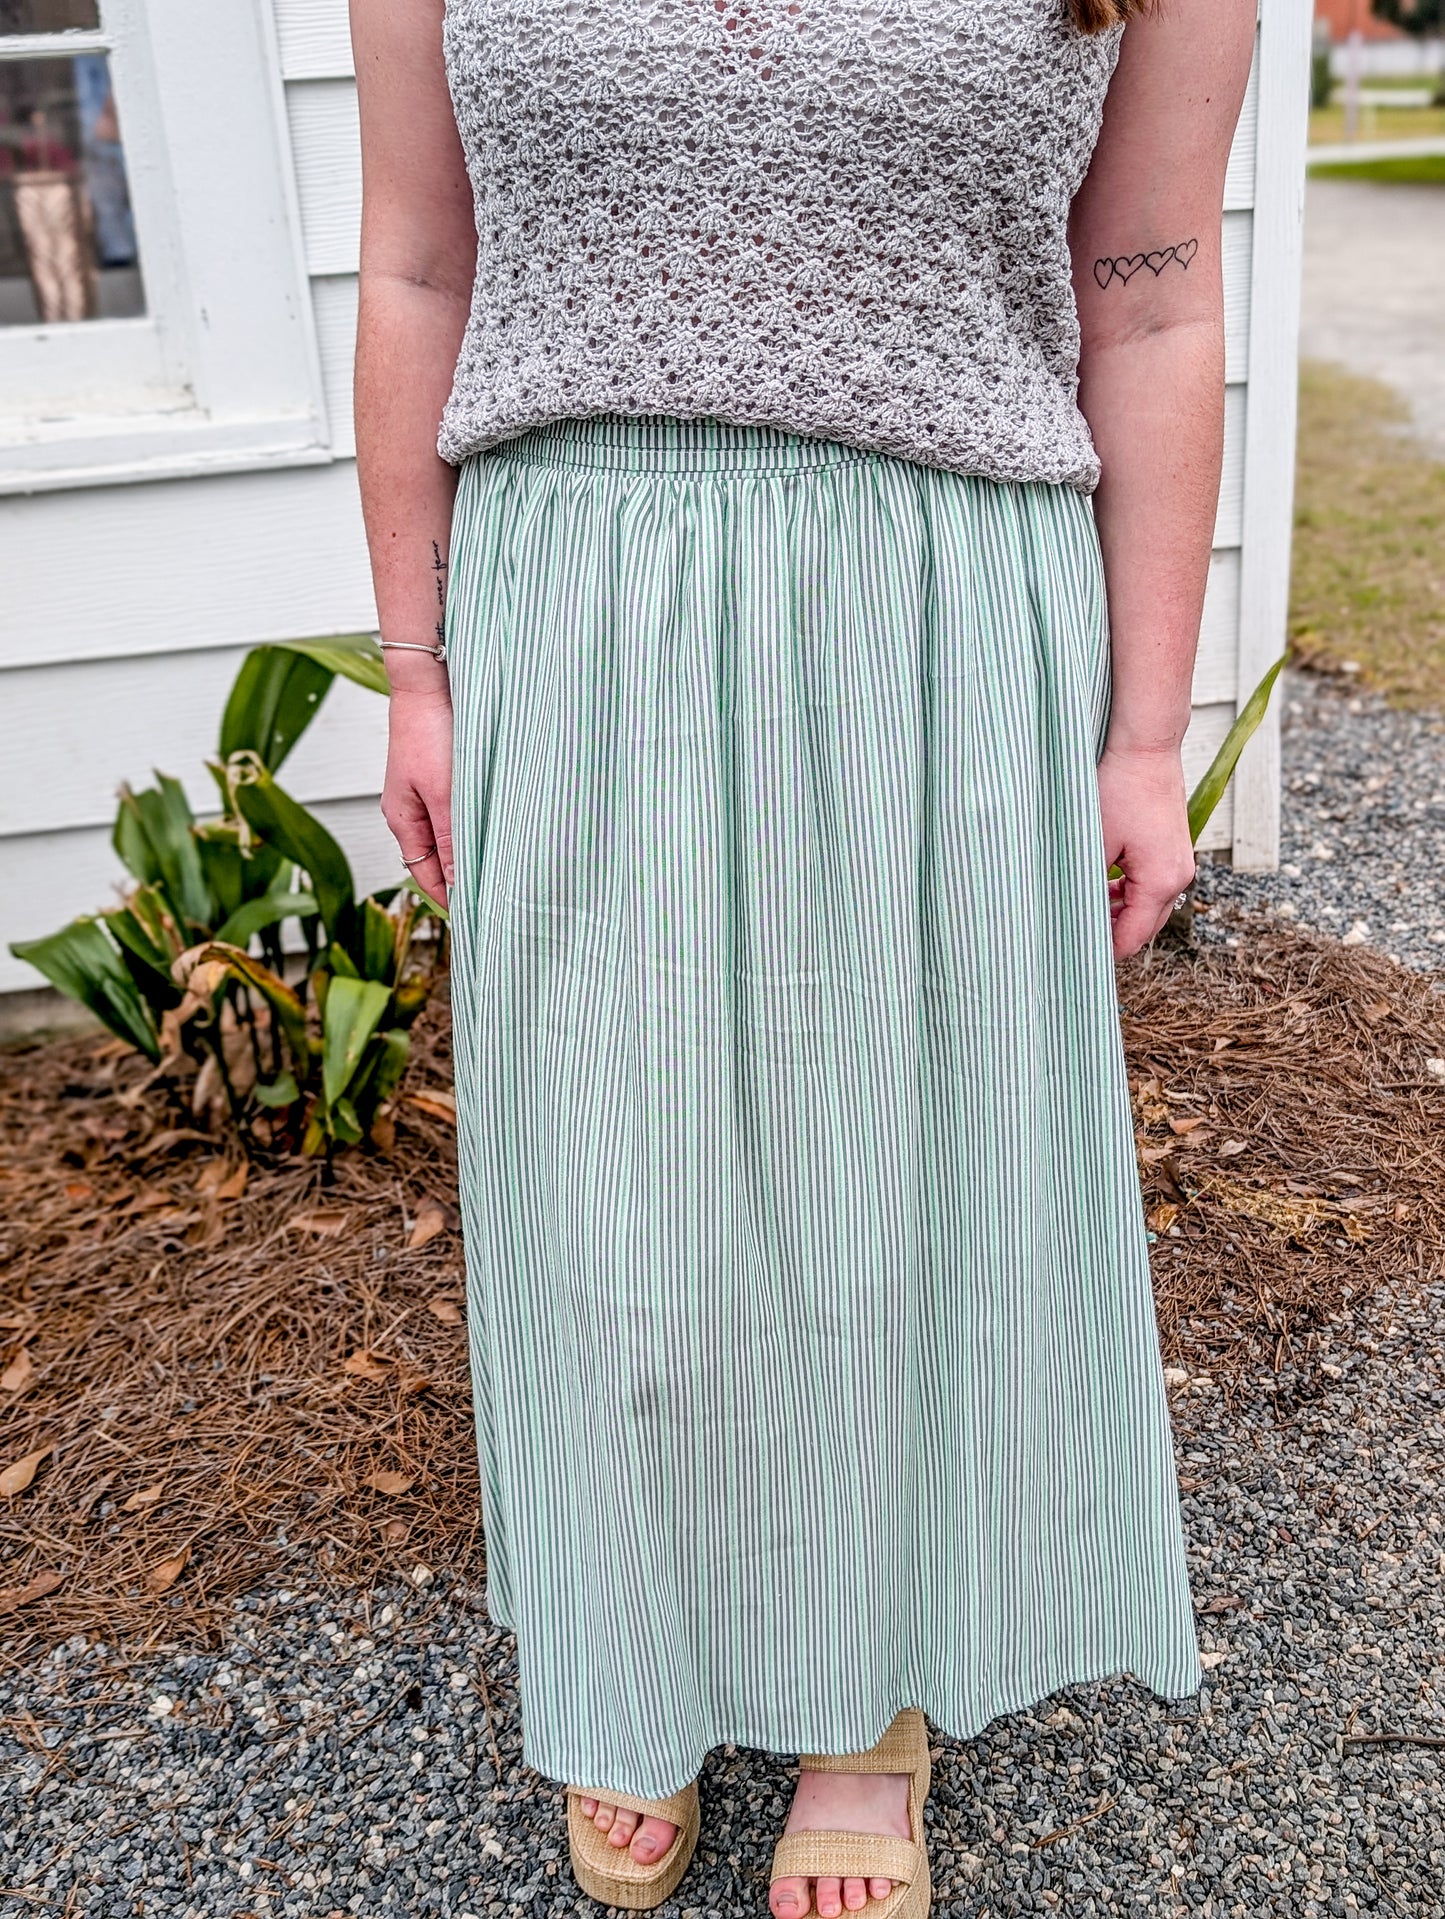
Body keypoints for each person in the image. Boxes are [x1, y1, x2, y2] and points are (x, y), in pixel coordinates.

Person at [349, 1, 1256, 1912]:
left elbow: (1154, 305)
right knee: (604, 1190)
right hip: (573, 597)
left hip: (929, 611)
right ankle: (626, 1652)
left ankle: (864, 1703)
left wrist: (1146, 738)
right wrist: (417, 670)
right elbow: (426, 260)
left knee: (887, 1184)